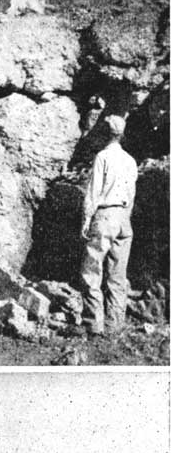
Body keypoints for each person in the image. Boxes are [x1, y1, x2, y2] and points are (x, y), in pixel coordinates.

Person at [79, 114, 138, 336]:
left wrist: (86, 219)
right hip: (124, 217)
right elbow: (131, 194)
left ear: (106, 133)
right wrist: (125, 218)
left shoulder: (102, 156)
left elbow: (93, 192)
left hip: (105, 216)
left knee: (91, 271)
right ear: (122, 135)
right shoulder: (130, 161)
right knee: (117, 274)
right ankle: (115, 326)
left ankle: (94, 325)